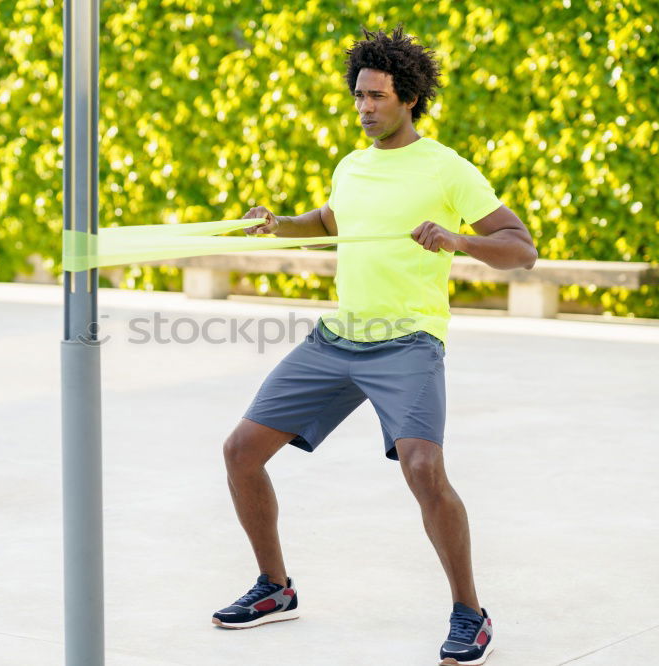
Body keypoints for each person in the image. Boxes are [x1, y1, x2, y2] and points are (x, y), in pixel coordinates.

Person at [211, 26, 537, 666]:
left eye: (377, 97)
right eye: (358, 95)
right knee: (241, 451)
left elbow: (521, 249)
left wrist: (459, 240)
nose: (364, 108)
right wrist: (282, 226)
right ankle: (275, 589)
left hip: (408, 343)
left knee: (423, 470)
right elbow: (330, 223)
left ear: (408, 98)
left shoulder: (448, 168)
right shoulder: (351, 165)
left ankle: (470, 612)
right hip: (339, 337)